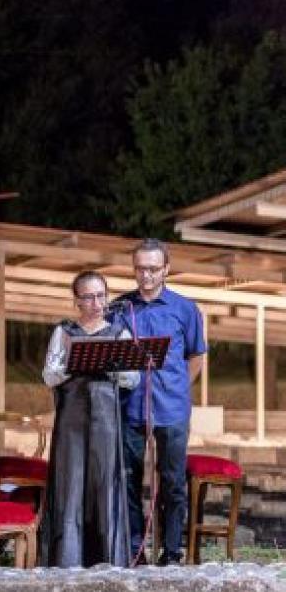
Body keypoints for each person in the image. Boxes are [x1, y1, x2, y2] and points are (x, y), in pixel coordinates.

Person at [112, 238, 207, 566]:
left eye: (153, 269)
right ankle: (134, 549)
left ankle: (171, 551)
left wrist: (177, 389)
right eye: (140, 269)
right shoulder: (120, 308)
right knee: (128, 479)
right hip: (130, 407)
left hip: (172, 409)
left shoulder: (185, 308)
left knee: (172, 482)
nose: (146, 275)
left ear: (166, 269)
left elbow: (196, 356)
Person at [39, 271, 137, 567]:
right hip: (72, 419)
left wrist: (111, 366)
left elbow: (132, 379)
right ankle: (67, 559)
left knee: (105, 483)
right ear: (77, 301)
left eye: (101, 296)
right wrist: (74, 362)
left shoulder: (119, 333)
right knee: (70, 484)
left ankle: (107, 558)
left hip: (107, 420)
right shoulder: (64, 332)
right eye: (89, 297)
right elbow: (48, 376)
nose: (96, 303)